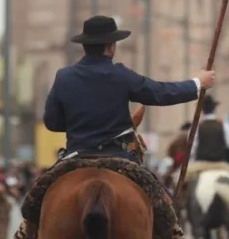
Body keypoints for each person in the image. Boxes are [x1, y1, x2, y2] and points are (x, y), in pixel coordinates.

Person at [43, 15, 216, 162]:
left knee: (37, 198)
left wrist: (81, 126)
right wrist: (198, 83)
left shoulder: (63, 76)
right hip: (117, 155)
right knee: (161, 199)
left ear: (84, 46)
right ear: (111, 46)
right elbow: (159, 93)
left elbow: (51, 122)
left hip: (76, 156)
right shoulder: (120, 75)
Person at [189, 95, 229, 162]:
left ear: (202, 109)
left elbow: (191, 150)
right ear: (214, 108)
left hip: (201, 163)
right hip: (220, 163)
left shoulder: (197, 126)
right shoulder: (223, 124)